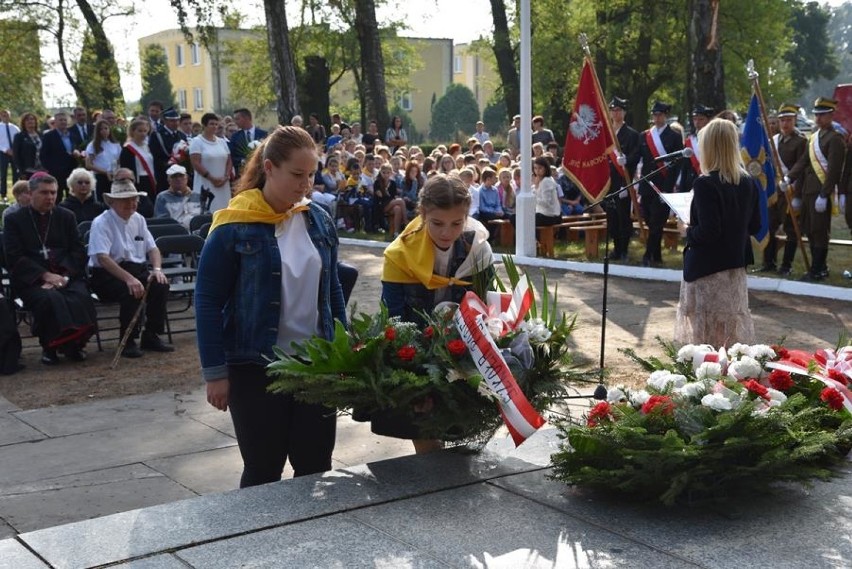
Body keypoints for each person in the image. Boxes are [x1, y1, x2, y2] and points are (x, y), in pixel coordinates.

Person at [196, 125, 346, 488]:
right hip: (255, 366)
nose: (305, 184)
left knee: (315, 464)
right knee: (263, 468)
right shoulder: (234, 225)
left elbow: (333, 289)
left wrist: (346, 352)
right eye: (297, 174)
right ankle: (257, 545)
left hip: (317, 364)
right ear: (269, 168)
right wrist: (215, 372)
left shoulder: (318, 219)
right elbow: (207, 300)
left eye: (311, 175)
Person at [380, 173, 494, 454]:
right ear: (422, 214)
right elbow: (393, 319)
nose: (447, 232)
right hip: (415, 352)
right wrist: (417, 365)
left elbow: (486, 307)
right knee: (427, 438)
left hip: (463, 352)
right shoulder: (399, 255)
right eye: (437, 223)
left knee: (462, 434)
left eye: (457, 223)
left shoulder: (478, 250)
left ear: (467, 216)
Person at [674, 119, 761, 347]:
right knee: (730, 336)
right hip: (734, 268)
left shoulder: (705, 184)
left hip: (707, 271)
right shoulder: (749, 183)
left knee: (704, 338)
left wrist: (687, 231)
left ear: (709, 147)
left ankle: (706, 378)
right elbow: (755, 226)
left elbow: (709, 232)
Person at [3, 173, 96, 364]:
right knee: (49, 299)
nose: (50, 197)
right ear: (30, 193)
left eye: (53, 193)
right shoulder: (15, 220)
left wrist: (63, 276)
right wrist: (45, 276)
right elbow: (13, 256)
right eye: (44, 193)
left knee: (81, 297)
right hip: (32, 280)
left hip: (65, 275)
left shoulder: (66, 216)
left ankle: (74, 346)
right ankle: (50, 348)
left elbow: (78, 251)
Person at [88, 179, 174, 358]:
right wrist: (129, 279)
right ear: (112, 202)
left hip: (137, 268)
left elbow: (153, 249)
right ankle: (128, 340)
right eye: (125, 199)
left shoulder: (139, 219)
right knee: (132, 290)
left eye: (134, 199)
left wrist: (157, 269)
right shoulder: (101, 222)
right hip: (108, 273)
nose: (132, 203)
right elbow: (103, 258)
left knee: (160, 285)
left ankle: (151, 334)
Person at [785, 98, 846, 282]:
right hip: (808, 191)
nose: (818, 118)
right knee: (810, 229)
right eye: (817, 115)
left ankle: (818, 269)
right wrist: (790, 178)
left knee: (819, 230)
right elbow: (803, 161)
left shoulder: (835, 138)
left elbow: (834, 170)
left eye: (823, 115)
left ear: (831, 115)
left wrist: (824, 194)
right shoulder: (814, 137)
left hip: (820, 191)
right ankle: (819, 267)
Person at [757, 104, 808, 275]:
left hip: (791, 190)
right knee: (770, 226)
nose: (785, 123)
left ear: (795, 121)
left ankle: (787, 265)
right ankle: (769, 262)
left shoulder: (801, 141)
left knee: (790, 229)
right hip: (774, 191)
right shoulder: (774, 140)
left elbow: (802, 169)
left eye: (789, 120)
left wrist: (798, 196)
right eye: (782, 120)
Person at [638, 100, 683, 267]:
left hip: (663, 186)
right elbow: (638, 157)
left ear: (666, 116)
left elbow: (677, 165)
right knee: (650, 220)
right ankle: (656, 255)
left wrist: (668, 189)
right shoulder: (644, 136)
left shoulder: (675, 137)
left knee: (657, 222)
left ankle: (648, 255)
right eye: (655, 115)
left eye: (660, 115)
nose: (657, 118)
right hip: (647, 185)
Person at [606, 97, 641, 261]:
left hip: (623, 180)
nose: (615, 113)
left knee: (623, 217)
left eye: (618, 110)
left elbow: (636, 154)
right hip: (608, 181)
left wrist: (627, 160)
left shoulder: (631, 134)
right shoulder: (607, 133)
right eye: (613, 110)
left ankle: (624, 249)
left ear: (624, 112)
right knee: (611, 216)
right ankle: (616, 247)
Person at [190, 113, 233, 213]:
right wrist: (212, 178)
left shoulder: (222, 142)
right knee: (206, 211)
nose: (214, 126)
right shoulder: (197, 142)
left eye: (216, 124)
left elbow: (229, 160)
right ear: (204, 125)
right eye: (211, 124)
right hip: (206, 183)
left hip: (223, 184)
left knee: (224, 210)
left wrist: (226, 176)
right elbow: (195, 163)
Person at [39, 111, 79, 196]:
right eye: (60, 120)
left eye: (65, 120)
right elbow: (43, 155)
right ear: (55, 122)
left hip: (71, 169)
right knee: (57, 195)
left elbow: (77, 148)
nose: (63, 122)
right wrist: (50, 169)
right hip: (56, 172)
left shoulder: (73, 135)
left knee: (71, 194)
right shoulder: (49, 136)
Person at [150, 107, 187, 193]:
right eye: (172, 121)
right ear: (165, 121)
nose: (175, 123)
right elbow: (155, 155)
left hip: (180, 173)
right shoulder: (157, 135)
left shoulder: (181, 135)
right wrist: (169, 163)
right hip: (164, 174)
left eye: (177, 120)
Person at [85, 119, 122, 202]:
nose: (104, 131)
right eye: (101, 129)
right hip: (100, 176)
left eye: (106, 128)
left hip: (114, 176)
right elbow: (88, 165)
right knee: (102, 201)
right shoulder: (93, 145)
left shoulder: (115, 144)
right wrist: (105, 172)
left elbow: (119, 161)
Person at [119, 118, 158, 197]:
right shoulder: (128, 149)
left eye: (145, 131)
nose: (143, 134)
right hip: (138, 182)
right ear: (132, 131)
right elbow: (125, 167)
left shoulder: (147, 146)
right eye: (140, 131)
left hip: (150, 180)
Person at [230, 108, 268, 174]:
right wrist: (242, 161)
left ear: (246, 118)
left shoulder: (263, 134)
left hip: (260, 172)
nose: (235, 122)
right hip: (242, 173)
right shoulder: (235, 136)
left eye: (237, 119)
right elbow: (232, 156)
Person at [12, 112, 42, 179]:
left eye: (32, 119)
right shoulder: (19, 136)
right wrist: (21, 171)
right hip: (28, 170)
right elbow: (16, 155)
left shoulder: (42, 135)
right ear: (23, 123)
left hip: (43, 169)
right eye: (27, 120)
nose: (30, 121)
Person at [532, 156, 562, 226]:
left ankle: (536, 236)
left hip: (550, 216)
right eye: (535, 168)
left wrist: (536, 189)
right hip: (542, 214)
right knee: (516, 217)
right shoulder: (539, 181)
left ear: (545, 168)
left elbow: (546, 203)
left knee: (527, 219)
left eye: (540, 168)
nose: (537, 171)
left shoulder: (547, 181)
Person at [1, 109, 20, 198]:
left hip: (14, 153)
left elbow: (19, 141)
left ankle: (16, 193)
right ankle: (3, 194)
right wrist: (6, 150)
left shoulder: (15, 128)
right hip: (2, 153)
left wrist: (15, 151)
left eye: (7, 115)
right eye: (4, 115)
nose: (6, 117)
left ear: (10, 116)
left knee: (16, 174)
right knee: (3, 174)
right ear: (1, 116)